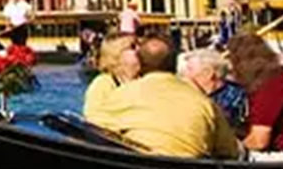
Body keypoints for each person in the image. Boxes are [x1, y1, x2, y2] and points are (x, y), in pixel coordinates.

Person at [102, 36, 242, 159]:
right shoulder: (204, 101)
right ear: (175, 64)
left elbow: (98, 133)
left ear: (140, 65)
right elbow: (230, 150)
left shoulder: (121, 95)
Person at [226, 33, 283, 152]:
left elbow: (259, 141)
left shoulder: (270, 86)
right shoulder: (276, 79)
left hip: (281, 154)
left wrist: (227, 150)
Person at [83, 33, 142, 127]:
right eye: (133, 46)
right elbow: (93, 119)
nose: (140, 49)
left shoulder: (145, 80)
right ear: (116, 55)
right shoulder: (102, 84)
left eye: (139, 44)